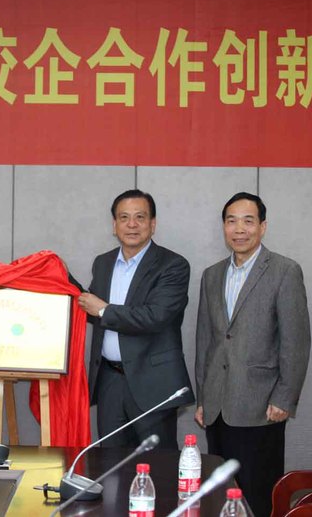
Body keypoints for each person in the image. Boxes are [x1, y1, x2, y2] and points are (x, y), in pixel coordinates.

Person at [195, 192, 311, 517]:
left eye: (248, 221)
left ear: (263, 226)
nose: (239, 229)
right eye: (231, 221)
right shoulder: (212, 275)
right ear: (224, 227)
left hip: (262, 406)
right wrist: (203, 397)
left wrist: (284, 397)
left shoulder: (284, 271)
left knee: (257, 494)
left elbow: (296, 341)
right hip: (218, 406)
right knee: (220, 494)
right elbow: (205, 340)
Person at [78, 189, 194, 449]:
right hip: (110, 380)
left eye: (140, 217)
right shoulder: (103, 262)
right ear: (114, 225)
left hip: (153, 382)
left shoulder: (173, 265)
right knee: (110, 462)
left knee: (158, 463)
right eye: (124, 217)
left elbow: (155, 316)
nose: (132, 224)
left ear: (153, 224)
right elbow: (92, 309)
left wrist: (104, 310)